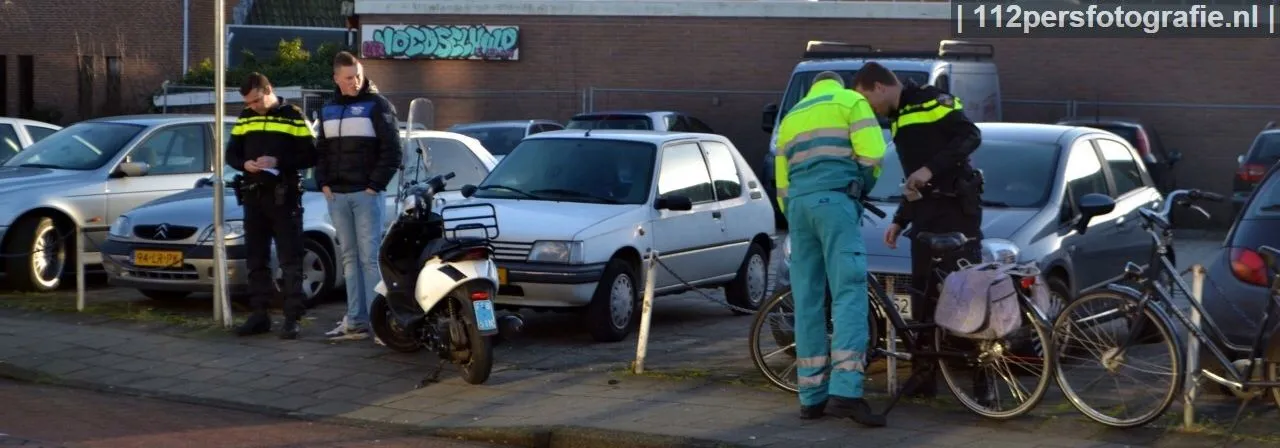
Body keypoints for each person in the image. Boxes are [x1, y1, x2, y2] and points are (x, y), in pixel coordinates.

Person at [851, 62, 986, 400]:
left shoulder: (932, 99)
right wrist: (900, 218)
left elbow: (971, 135)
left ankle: (984, 380)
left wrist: (931, 168)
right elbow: (914, 178)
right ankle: (924, 377)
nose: (869, 110)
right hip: (924, 215)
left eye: (867, 100)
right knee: (922, 298)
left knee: (967, 296)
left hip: (957, 212)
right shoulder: (895, 117)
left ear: (880, 87)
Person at [773, 71, 887, 427]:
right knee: (848, 294)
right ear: (840, 84)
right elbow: (874, 154)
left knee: (807, 301)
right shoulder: (852, 102)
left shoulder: (791, 117)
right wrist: (858, 187)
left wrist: (795, 210)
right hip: (836, 203)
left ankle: (810, 398)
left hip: (798, 210)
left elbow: (781, 184)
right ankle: (846, 392)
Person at [315, 51, 403, 342]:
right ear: (336, 78)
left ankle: (380, 324)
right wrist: (323, 182)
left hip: (365, 195)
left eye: (358, 76)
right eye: (349, 77)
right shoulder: (327, 109)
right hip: (337, 195)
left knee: (369, 260)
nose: (355, 82)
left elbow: (393, 151)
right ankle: (356, 321)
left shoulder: (377, 105)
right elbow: (322, 150)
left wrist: (374, 186)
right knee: (350, 259)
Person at [227, 72, 317, 339]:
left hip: (284, 196)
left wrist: (278, 162)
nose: (251, 106)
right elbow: (231, 153)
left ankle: (292, 318)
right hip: (254, 196)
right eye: (248, 102)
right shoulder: (246, 117)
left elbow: (310, 154)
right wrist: (245, 164)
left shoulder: (292, 115)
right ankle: (259, 315)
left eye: (255, 101)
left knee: (290, 259)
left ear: (268, 90)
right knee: (256, 257)